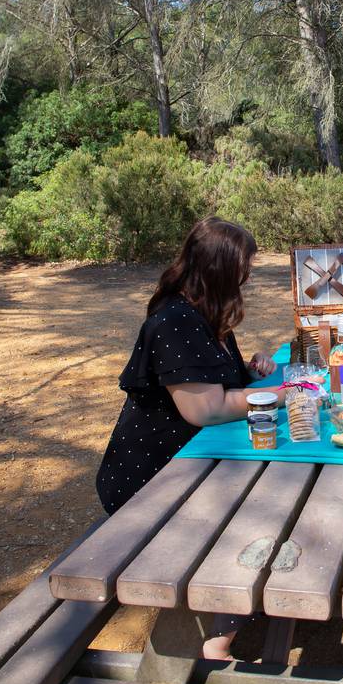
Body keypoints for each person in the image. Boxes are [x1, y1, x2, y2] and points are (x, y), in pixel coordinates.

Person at [96, 216, 279, 659]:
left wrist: (256, 368)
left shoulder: (204, 311)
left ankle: (229, 622)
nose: (249, 274)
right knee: (261, 519)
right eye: (244, 265)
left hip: (192, 464)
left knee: (271, 500)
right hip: (154, 479)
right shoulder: (175, 321)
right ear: (219, 267)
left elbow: (221, 380)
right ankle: (214, 642)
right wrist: (279, 396)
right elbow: (205, 408)